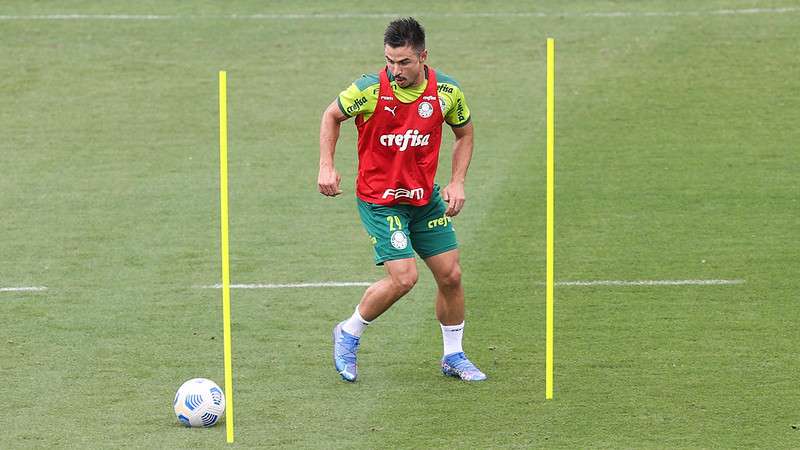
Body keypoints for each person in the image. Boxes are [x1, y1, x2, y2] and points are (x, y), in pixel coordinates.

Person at [318, 17, 485, 383]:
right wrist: (326, 166)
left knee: (451, 276)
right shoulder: (370, 89)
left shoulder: (446, 92)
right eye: (390, 61)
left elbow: (465, 133)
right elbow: (331, 115)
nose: (395, 71)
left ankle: (453, 355)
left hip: (424, 200)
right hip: (381, 201)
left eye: (404, 62)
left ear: (423, 56)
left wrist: (457, 182)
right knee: (404, 278)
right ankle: (348, 332)